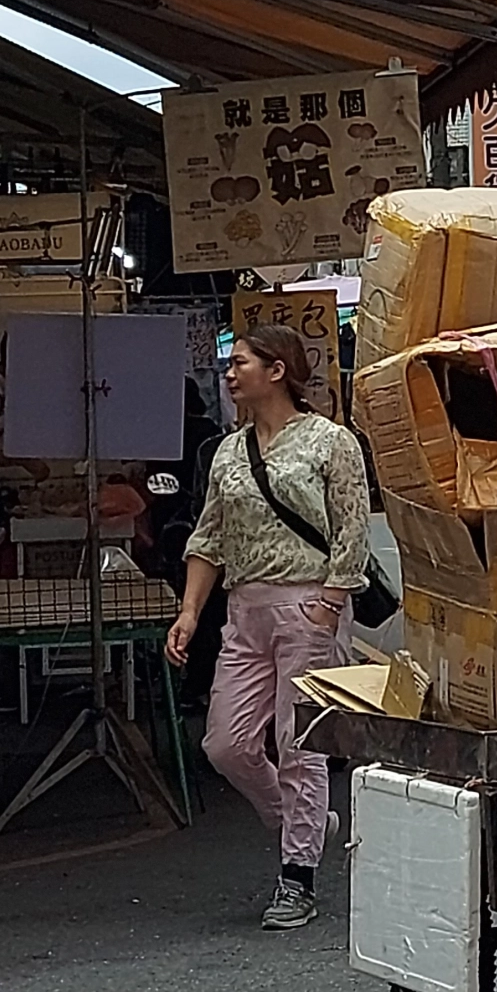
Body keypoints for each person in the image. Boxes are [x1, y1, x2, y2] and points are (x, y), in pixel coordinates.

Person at [166, 325, 370, 931]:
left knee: (301, 743)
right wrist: (189, 611)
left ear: (278, 371)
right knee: (225, 744)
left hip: (310, 604)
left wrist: (331, 601)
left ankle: (297, 878)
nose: (230, 374)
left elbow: (352, 530)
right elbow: (209, 537)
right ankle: (299, 822)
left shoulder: (332, 443)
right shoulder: (229, 451)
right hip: (244, 608)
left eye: (242, 363)